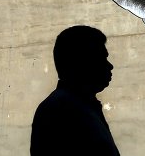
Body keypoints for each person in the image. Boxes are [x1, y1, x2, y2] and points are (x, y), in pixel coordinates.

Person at [30, 25, 120, 156]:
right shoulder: (61, 109)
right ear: (83, 62)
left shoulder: (79, 105)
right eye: (102, 58)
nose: (110, 66)